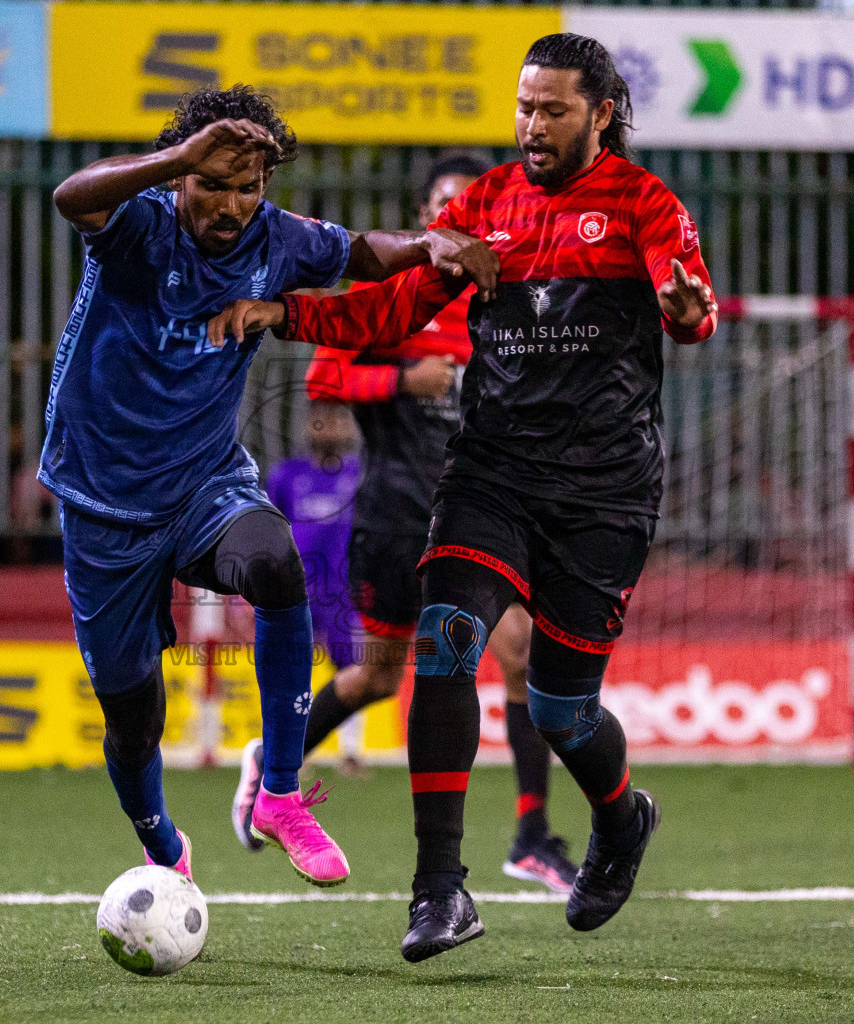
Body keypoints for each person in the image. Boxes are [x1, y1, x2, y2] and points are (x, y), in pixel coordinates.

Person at [209, 34, 718, 959]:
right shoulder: (486, 204)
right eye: (524, 107)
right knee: (444, 644)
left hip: (603, 493)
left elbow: (689, 307)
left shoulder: (646, 204)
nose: (532, 125)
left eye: (553, 109)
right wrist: (288, 311)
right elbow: (388, 310)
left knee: (563, 710)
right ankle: (439, 890)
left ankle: (620, 815)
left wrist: (686, 310)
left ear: (601, 113)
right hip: (492, 474)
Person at [41, 85, 497, 887]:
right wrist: (180, 156)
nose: (229, 204)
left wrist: (431, 244)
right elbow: (71, 195)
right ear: (181, 175)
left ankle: (280, 795)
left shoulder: (276, 239)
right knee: (132, 716)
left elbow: (361, 253)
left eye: (247, 187)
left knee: (275, 563)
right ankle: (161, 847)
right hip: (103, 503)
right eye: (212, 184)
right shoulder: (141, 223)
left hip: (205, 486)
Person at [236, 153, 577, 895]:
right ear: (429, 217)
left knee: (520, 652)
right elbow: (325, 382)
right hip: (396, 517)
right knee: (378, 677)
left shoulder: (509, 298)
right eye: (443, 204)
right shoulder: (395, 293)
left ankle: (530, 834)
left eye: (469, 204)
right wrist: (403, 378)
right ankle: (270, 767)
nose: (455, 214)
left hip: (486, 512)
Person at [263, 401, 362, 678]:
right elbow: (268, 534)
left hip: (345, 593)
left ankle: (348, 722)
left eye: (338, 416)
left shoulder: (361, 475)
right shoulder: (287, 475)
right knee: (290, 671)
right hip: (296, 590)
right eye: (320, 417)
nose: (329, 423)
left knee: (350, 670)